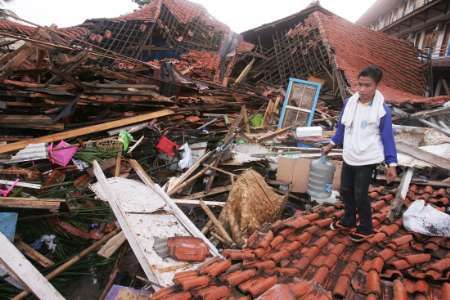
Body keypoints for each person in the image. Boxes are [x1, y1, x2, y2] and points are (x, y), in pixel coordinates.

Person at [322, 65, 398, 242]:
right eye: (359, 85)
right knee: (346, 190)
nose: (362, 89)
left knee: (360, 193)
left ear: (376, 86)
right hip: (350, 154)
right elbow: (342, 128)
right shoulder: (350, 104)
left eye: (367, 85)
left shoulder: (381, 110)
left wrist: (391, 164)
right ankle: (348, 220)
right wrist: (330, 144)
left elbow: (387, 138)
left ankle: (366, 227)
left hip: (368, 157)